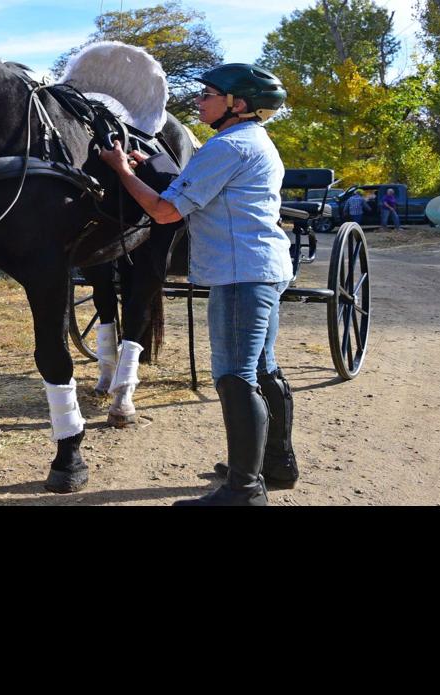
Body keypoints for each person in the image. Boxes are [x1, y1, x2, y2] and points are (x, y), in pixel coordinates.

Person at [98, 63, 298, 506]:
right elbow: (197, 186)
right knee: (262, 368)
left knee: (234, 375)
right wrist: (150, 166)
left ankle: (243, 490)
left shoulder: (227, 146)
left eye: (208, 94)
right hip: (263, 267)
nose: (199, 101)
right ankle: (276, 463)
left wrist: (123, 171)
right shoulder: (253, 140)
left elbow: (165, 212)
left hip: (239, 274)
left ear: (237, 103)